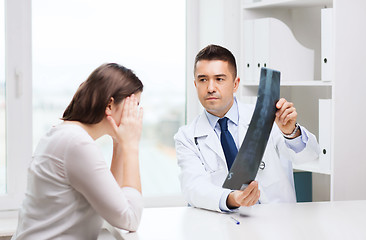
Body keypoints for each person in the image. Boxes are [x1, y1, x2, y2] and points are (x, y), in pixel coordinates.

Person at [174, 45, 320, 213]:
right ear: (195, 84)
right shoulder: (186, 137)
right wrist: (232, 198)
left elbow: (309, 156)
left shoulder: (269, 117)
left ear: (235, 84)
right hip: (223, 226)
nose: (211, 88)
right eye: (203, 80)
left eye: (219, 79)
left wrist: (291, 132)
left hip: (275, 222)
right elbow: (193, 187)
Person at [12, 63, 144, 239]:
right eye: (133, 106)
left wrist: (120, 143)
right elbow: (130, 218)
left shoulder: (65, 135)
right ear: (110, 105)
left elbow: (113, 203)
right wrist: (131, 145)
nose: (135, 115)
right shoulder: (76, 143)